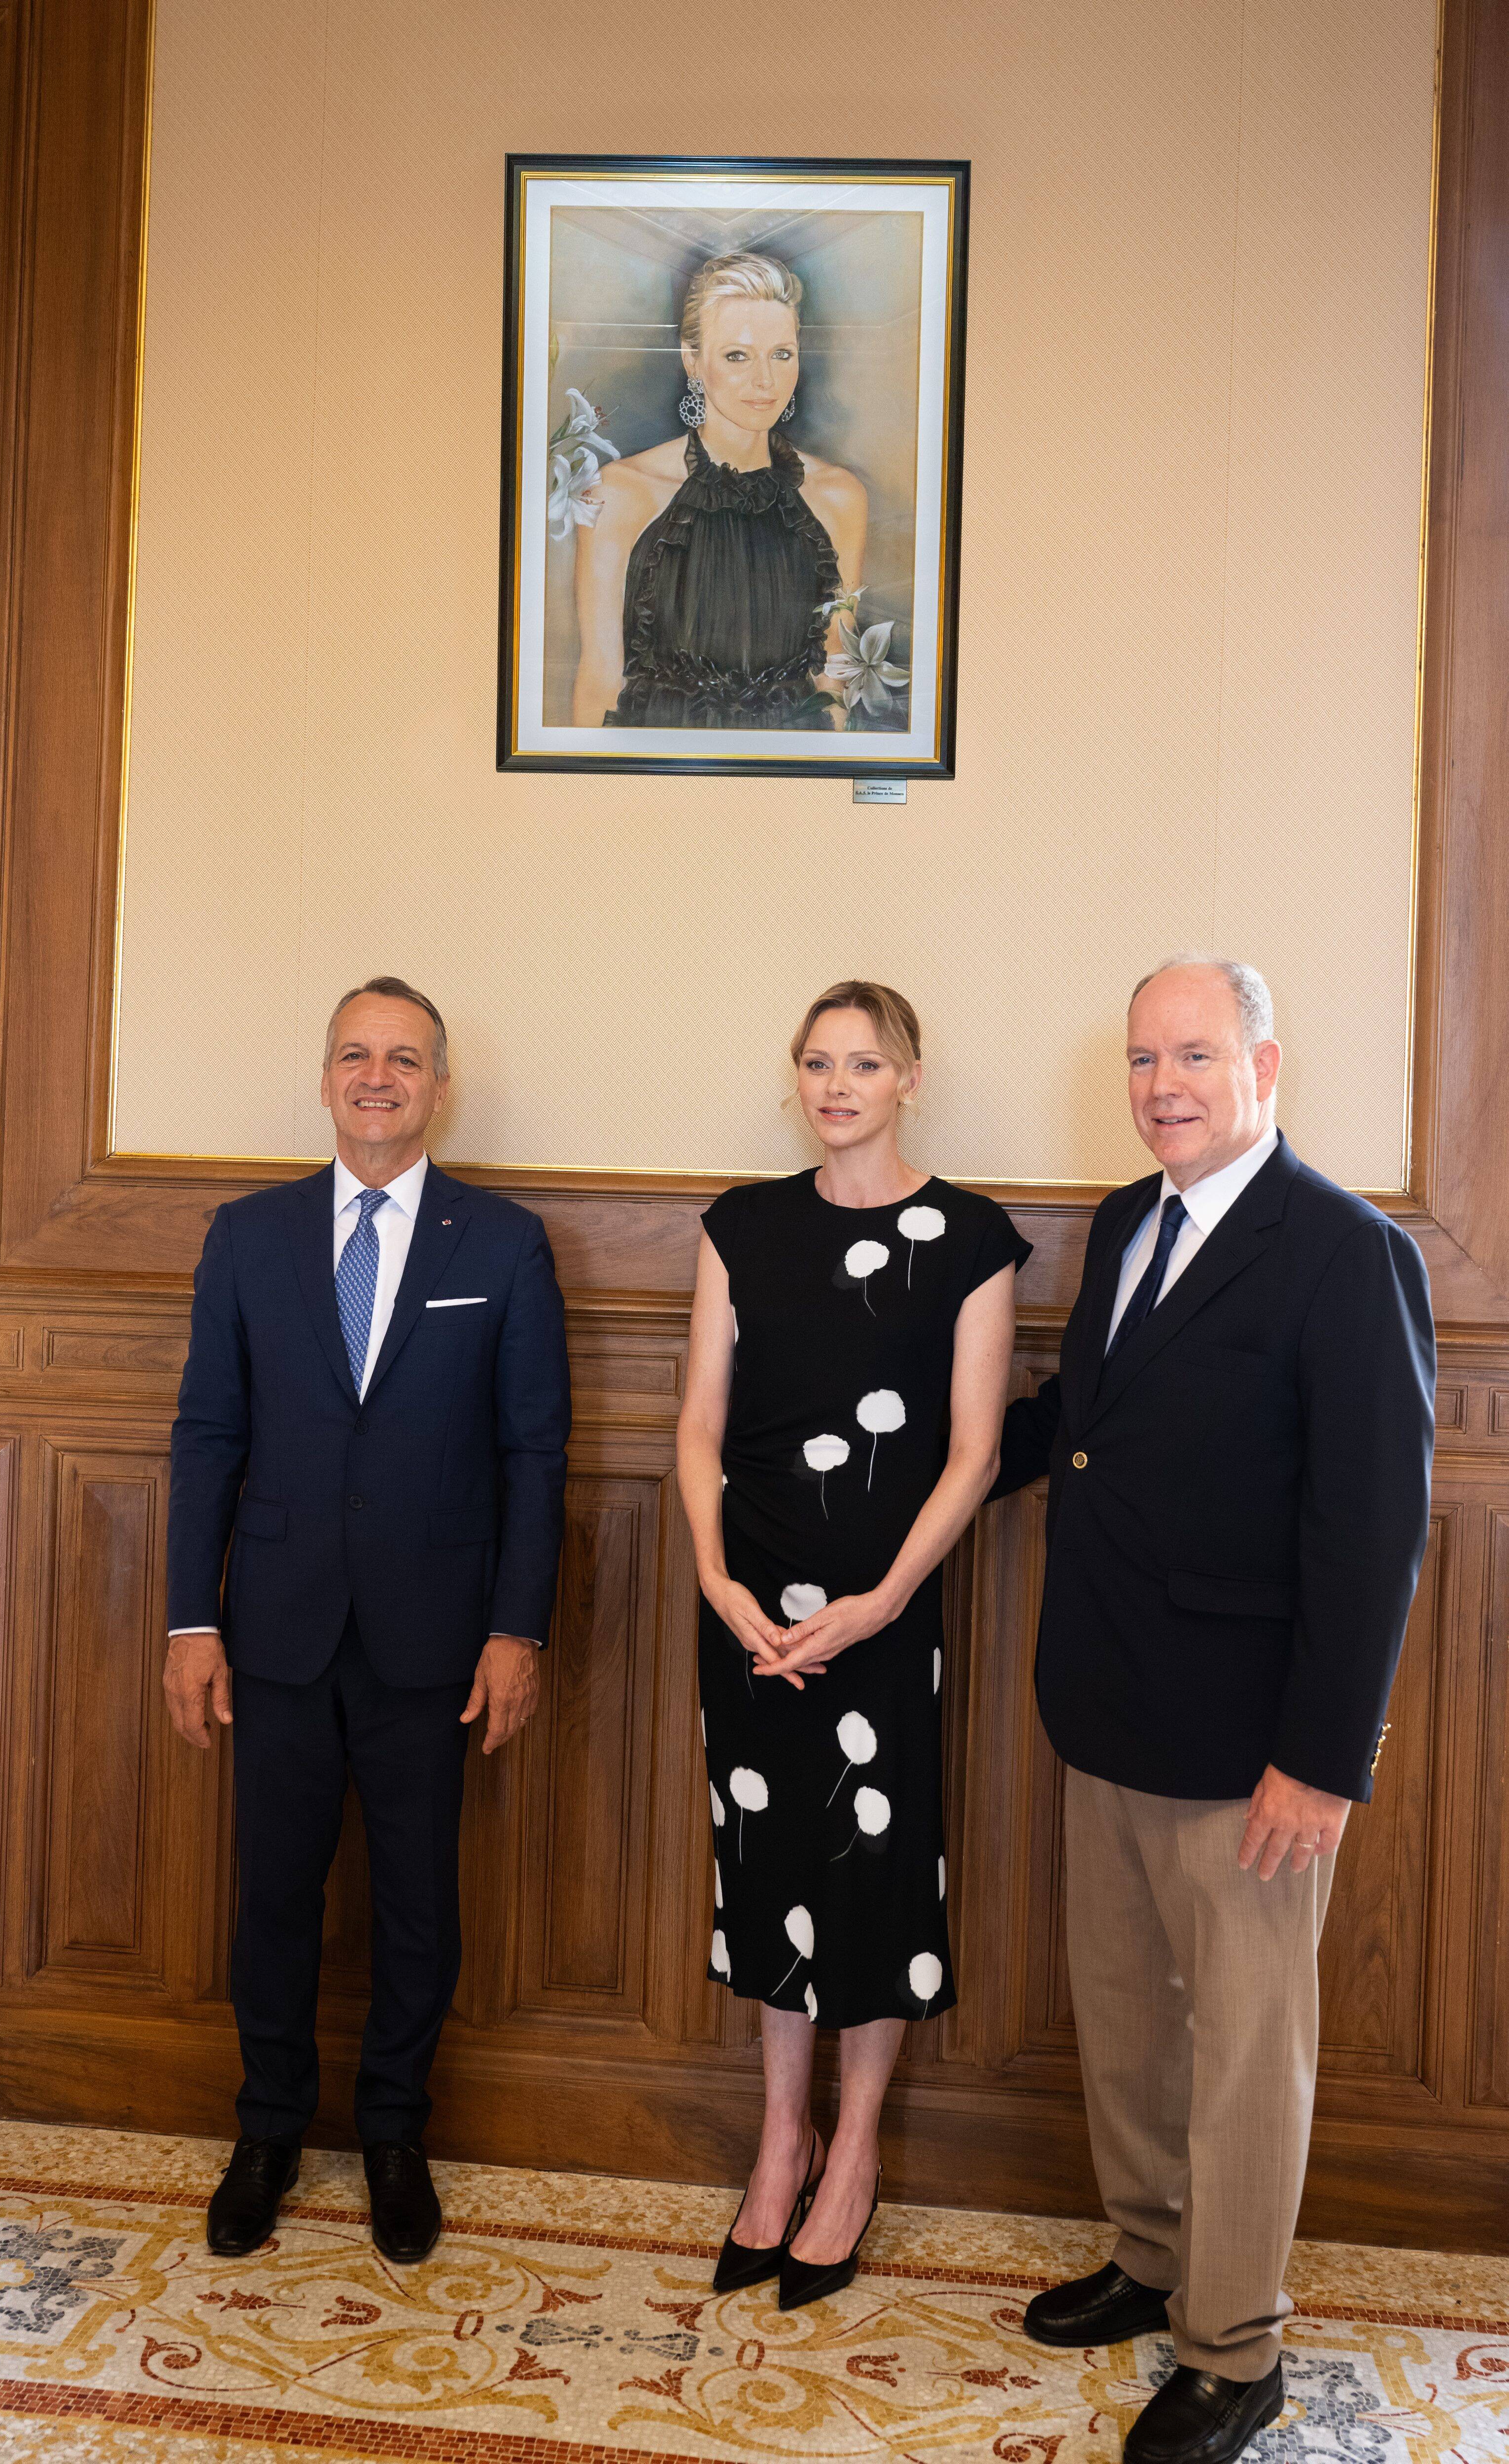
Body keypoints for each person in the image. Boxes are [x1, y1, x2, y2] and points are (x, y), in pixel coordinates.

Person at [991, 958, 1434, 2464]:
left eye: (1192, 1054)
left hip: (1254, 1748)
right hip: (1104, 1704)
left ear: (1263, 1064)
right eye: (1141, 1057)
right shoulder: (1128, 1219)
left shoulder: (1343, 1249)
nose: (1162, 1083)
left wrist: (1320, 1761)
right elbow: (1083, 1430)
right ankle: (1151, 2254)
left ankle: (1232, 2345)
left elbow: (1372, 1527)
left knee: (1245, 2046)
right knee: (1124, 2021)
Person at [164, 977, 570, 2266]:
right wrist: (188, 1619)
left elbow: (534, 1451)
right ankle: (269, 2131)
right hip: (273, 1627)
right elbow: (207, 1436)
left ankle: (394, 2133)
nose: (377, 1076)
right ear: (325, 1075)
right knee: (272, 1896)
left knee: (415, 1904)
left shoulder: (500, 1245)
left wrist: (519, 1631)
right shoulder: (247, 1235)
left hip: (433, 1639)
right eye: (355, 1054)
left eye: (404, 1058)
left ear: (438, 1086)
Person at [676, 980, 1029, 2309]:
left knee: (873, 1873)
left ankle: (857, 2147)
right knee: (766, 1863)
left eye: (863, 1064)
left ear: (908, 1079)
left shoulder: (971, 1240)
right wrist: (715, 1581)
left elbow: (976, 1449)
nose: (837, 1085)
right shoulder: (741, 1228)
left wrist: (881, 1601)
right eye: (817, 1063)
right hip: (749, 1613)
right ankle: (781, 2141)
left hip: (884, 1615)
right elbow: (699, 1429)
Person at [572, 252, 866, 730]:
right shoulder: (621, 494)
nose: (765, 381)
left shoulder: (840, 497)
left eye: (782, 354)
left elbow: (835, 679)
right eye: (737, 355)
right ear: (692, 359)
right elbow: (600, 682)